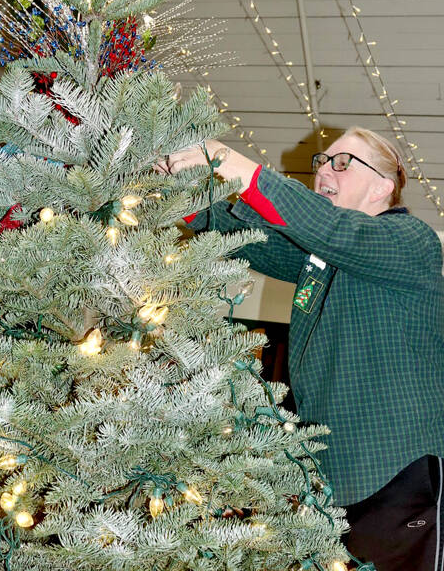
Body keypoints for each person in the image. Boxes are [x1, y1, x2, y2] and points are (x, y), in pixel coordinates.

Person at [161, 127, 444, 571]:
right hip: (330, 488)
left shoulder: (410, 241)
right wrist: (178, 193)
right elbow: (252, 239)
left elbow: (334, 230)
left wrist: (244, 172)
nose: (324, 171)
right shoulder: (322, 262)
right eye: (322, 162)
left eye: (343, 162)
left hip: (397, 479)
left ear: (383, 187)